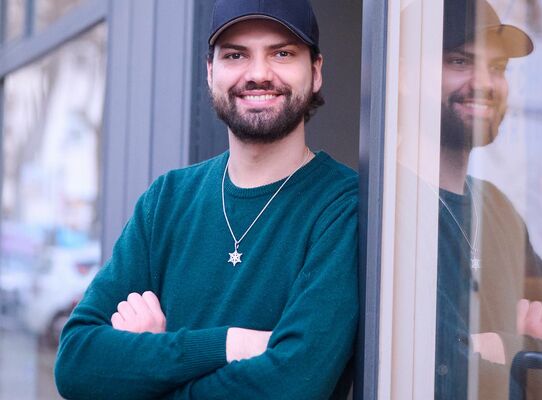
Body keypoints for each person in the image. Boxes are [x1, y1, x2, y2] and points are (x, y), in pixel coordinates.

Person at [54, 1, 357, 398]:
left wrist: (146, 368)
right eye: (235, 55)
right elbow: (76, 362)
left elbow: (291, 384)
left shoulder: (344, 205)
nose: (259, 74)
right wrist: (231, 343)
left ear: (315, 72)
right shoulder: (167, 200)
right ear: (211, 72)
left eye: (282, 54)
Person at [433, 0, 542, 398]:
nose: (484, 82)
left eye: (497, 67)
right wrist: (536, 354)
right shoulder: (384, 208)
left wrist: (509, 347)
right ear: (407, 76)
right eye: (460, 61)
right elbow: (446, 374)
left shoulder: (497, 209)